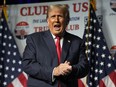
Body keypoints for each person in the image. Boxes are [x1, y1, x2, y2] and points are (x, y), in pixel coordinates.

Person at [22, 4, 89, 87]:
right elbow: (27, 64)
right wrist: (54, 71)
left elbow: (84, 67)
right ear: (47, 20)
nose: (56, 20)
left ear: (67, 21)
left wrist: (71, 69)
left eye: (60, 16)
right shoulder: (34, 39)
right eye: (53, 16)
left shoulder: (77, 42)